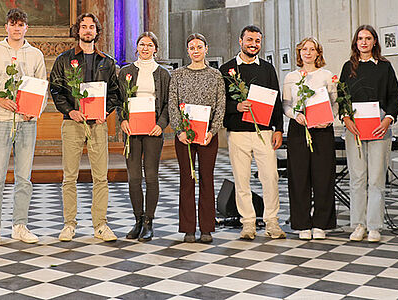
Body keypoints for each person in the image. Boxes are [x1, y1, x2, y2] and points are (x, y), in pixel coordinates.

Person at [49, 12, 122, 242]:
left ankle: (100, 225)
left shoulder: (107, 62)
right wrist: (70, 110)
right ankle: (69, 224)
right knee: (69, 176)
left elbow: (115, 93)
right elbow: (56, 89)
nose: (88, 30)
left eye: (92, 27)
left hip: (98, 125)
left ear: (97, 32)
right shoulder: (64, 59)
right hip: (73, 123)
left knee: (100, 177)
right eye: (83, 27)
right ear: (77, 31)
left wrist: (106, 112)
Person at [0, 8, 46, 246]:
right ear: (6, 27)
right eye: (12, 24)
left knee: (24, 177)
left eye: (21, 25)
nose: (17, 29)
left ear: (26, 28)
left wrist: (33, 110)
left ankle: (20, 225)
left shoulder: (35, 54)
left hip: (27, 122)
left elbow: (41, 88)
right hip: (2, 120)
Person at [219, 25, 286, 240]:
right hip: (238, 132)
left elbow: (276, 100)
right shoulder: (227, 69)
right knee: (242, 179)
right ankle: (247, 223)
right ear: (240, 41)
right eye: (249, 40)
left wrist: (279, 129)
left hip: (264, 132)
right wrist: (235, 108)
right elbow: (220, 103)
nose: (253, 44)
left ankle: (271, 221)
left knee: (270, 177)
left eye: (257, 41)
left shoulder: (267, 69)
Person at [338, 25, 398, 243]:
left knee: (375, 178)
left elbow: (395, 96)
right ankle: (358, 224)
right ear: (355, 42)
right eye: (360, 38)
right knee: (357, 178)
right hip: (354, 127)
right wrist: (346, 119)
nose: (364, 42)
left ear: (375, 42)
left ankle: (374, 226)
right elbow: (341, 97)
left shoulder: (384, 67)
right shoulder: (348, 67)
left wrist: (387, 120)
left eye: (368, 38)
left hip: (379, 126)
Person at [168, 33, 225, 243]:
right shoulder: (178, 75)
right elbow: (172, 104)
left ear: (206, 49)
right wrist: (179, 130)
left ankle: (207, 228)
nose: (195, 50)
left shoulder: (216, 75)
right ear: (187, 51)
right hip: (184, 135)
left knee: (207, 180)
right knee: (187, 180)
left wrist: (213, 130)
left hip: (208, 135)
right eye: (192, 47)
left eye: (199, 47)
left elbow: (221, 106)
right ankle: (189, 228)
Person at [282, 38, 337, 240]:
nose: (308, 52)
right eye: (304, 49)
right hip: (299, 128)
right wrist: (294, 115)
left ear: (318, 53)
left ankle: (321, 224)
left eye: (312, 49)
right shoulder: (290, 77)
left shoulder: (326, 75)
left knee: (323, 177)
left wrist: (329, 120)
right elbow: (285, 104)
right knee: (299, 177)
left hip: (322, 130)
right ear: (299, 52)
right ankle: (302, 223)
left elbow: (335, 103)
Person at [118, 32, 171, 241]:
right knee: (133, 178)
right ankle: (138, 220)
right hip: (132, 130)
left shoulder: (163, 74)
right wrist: (122, 120)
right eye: (142, 44)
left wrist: (161, 124)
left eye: (150, 45)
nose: (145, 48)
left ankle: (149, 221)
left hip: (153, 131)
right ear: (137, 47)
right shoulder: (126, 72)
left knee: (151, 176)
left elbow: (168, 103)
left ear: (155, 49)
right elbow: (120, 100)